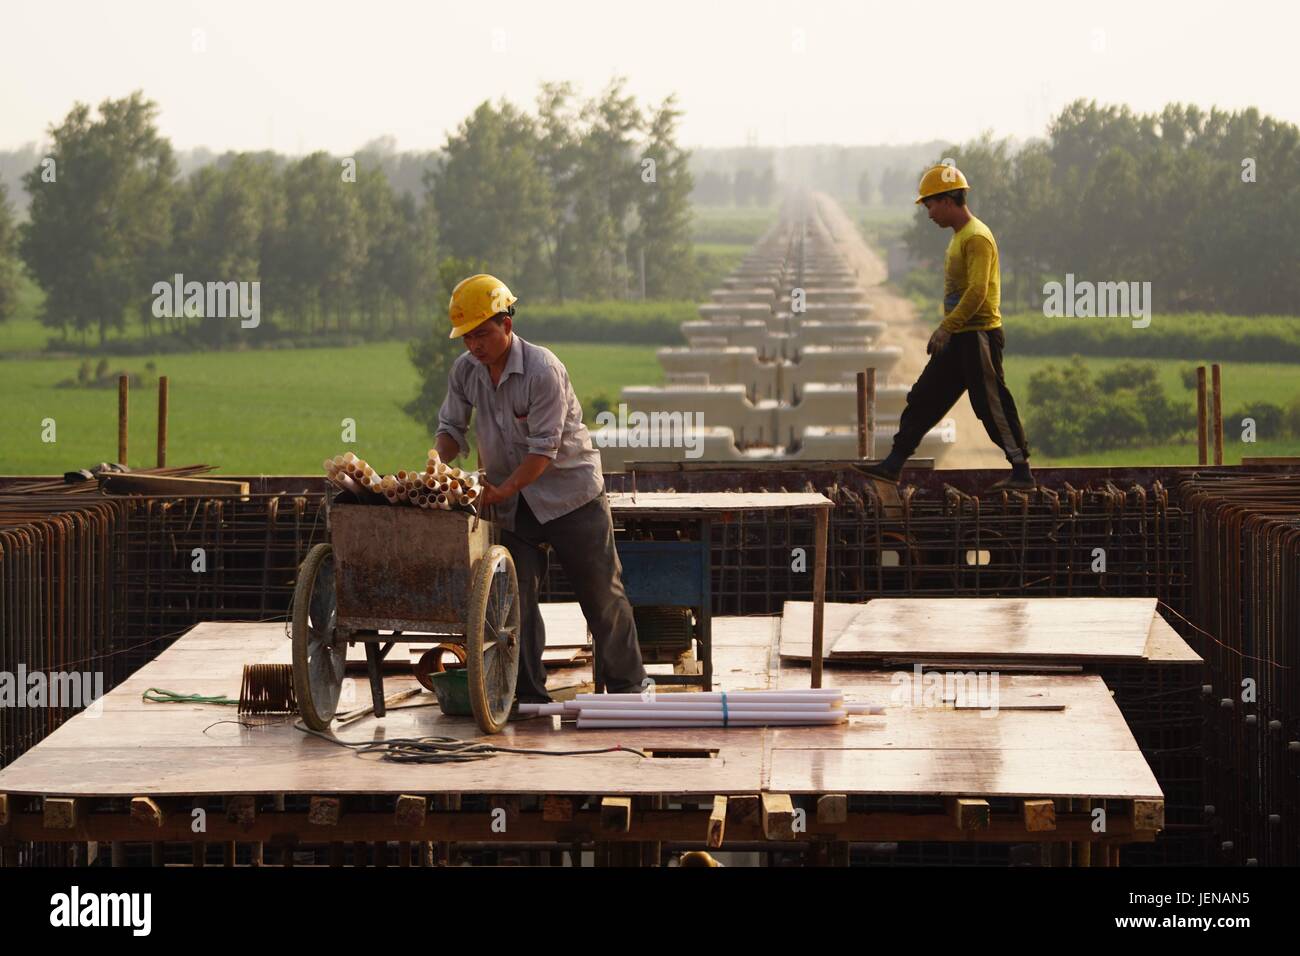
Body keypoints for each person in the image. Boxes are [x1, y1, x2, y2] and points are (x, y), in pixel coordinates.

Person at [433, 274, 648, 704]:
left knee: (601, 594)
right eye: (468, 338)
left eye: (483, 334)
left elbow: (542, 452)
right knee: (514, 601)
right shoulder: (466, 372)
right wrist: (438, 463)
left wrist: (498, 492)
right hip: (514, 506)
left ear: (507, 326)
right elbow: (451, 428)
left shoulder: (543, 370)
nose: (475, 346)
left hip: (571, 496)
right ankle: (526, 694)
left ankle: (629, 689)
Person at [864, 164, 1035, 491]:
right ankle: (893, 463)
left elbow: (977, 291)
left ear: (947, 200)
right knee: (924, 396)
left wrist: (946, 327)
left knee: (990, 402)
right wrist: (951, 330)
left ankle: (1021, 469)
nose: (928, 214)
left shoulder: (977, 237)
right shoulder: (960, 238)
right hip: (960, 336)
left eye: (930, 205)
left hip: (978, 335)